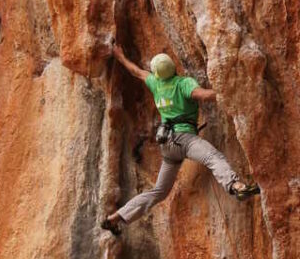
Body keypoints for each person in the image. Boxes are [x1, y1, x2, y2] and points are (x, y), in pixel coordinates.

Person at [101, 45, 259, 236]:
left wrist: (120, 56)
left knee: (159, 191)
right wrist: (225, 93)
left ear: (157, 73)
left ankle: (115, 218)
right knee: (212, 157)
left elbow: (136, 72)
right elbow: (203, 95)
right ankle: (236, 186)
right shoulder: (183, 83)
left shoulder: (155, 83)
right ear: (173, 67)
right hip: (185, 140)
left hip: (167, 145)